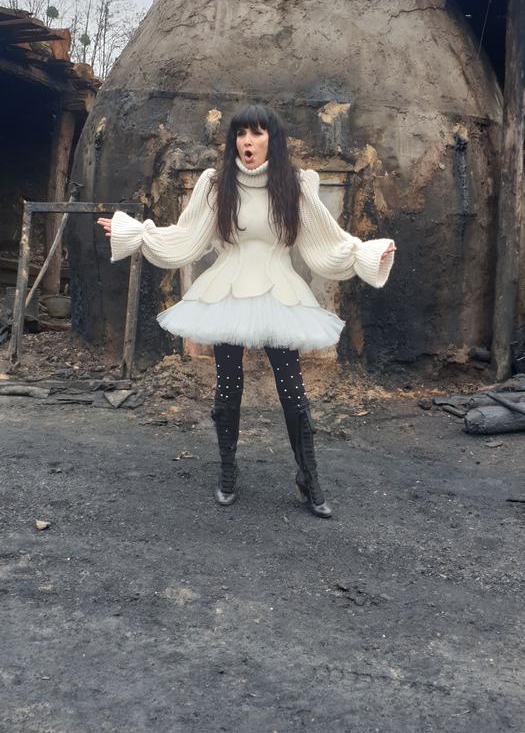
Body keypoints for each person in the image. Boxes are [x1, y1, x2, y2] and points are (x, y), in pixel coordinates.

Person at [98, 104, 395, 518]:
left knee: (292, 391)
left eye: (257, 133)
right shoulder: (215, 185)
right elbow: (187, 236)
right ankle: (227, 470)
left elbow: (326, 242)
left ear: (272, 138)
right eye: (241, 133)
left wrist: (366, 253)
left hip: (280, 294)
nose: (247, 142)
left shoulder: (296, 185)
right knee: (228, 386)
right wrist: (137, 234)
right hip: (227, 293)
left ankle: (308, 476)